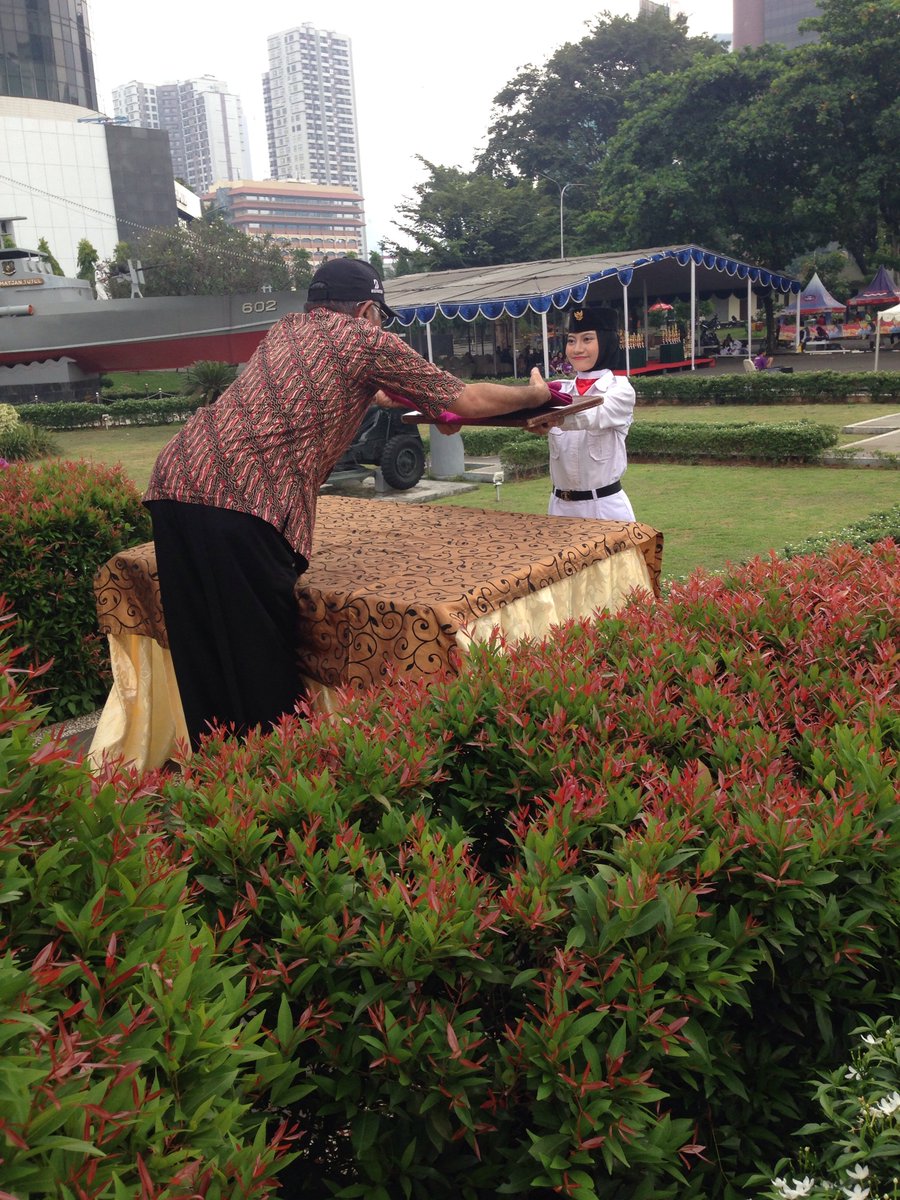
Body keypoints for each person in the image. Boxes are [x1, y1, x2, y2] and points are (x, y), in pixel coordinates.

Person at [144, 257, 554, 750]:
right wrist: (534, 396)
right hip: (241, 499)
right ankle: (279, 790)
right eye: (381, 316)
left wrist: (430, 404)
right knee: (261, 666)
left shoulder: (289, 331)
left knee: (204, 656)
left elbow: (374, 391)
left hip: (175, 482)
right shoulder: (364, 338)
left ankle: (221, 788)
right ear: (366, 311)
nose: (382, 327)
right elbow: (465, 400)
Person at [543, 306, 637, 523]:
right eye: (571, 340)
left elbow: (590, 415)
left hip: (604, 510)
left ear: (605, 342)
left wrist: (546, 415)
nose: (577, 349)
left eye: (587, 340)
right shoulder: (561, 390)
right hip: (559, 510)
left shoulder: (619, 390)